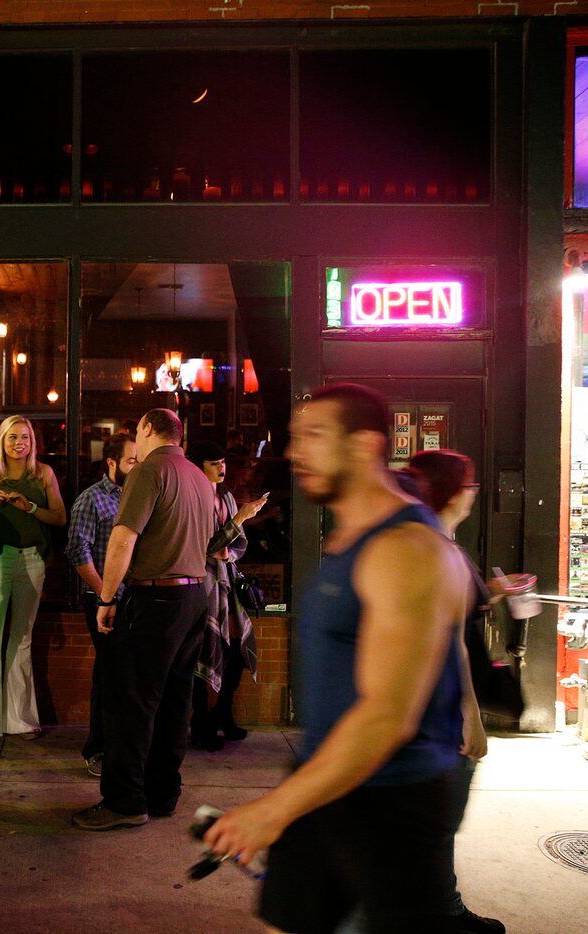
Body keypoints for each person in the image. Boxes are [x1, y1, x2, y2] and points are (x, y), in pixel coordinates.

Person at [204, 383, 473, 933]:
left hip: (393, 802)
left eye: (314, 436)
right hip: (331, 778)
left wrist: (272, 810)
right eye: (296, 437)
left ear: (363, 445)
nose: (295, 452)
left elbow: (386, 717)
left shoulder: (405, 550)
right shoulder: (350, 536)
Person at [72, 408, 214, 831]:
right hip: (194, 596)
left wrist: (108, 595)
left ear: (149, 430)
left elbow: (123, 538)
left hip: (156, 598)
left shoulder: (150, 472)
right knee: (175, 701)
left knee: (131, 703)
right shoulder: (197, 478)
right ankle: (162, 793)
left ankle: (124, 801)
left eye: (138, 431)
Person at [406, 449, 506, 934]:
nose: (474, 492)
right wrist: (471, 716)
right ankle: (439, 913)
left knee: (433, 823)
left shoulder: (438, 543)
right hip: (441, 711)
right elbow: (448, 641)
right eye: (468, 484)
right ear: (453, 493)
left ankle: (438, 907)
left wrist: (492, 594)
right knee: (437, 821)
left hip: (436, 710)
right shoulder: (434, 549)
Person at [0, 415, 66, 743]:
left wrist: (30, 507)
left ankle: (19, 720)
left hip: (32, 560)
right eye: (12, 437)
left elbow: (59, 517)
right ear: (2, 442)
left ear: (32, 441)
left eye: (24, 436)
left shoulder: (44, 474)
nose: (18, 442)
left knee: (21, 640)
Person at [184, 441, 266, 752]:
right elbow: (205, 544)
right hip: (202, 583)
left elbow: (236, 543)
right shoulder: (195, 497)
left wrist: (228, 551)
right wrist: (239, 520)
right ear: (199, 467)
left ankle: (221, 714)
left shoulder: (226, 497)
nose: (222, 469)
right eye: (214, 464)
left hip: (226, 581)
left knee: (236, 649)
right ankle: (202, 721)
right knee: (204, 650)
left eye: (223, 463)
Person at [64, 431, 137, 776]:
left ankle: (123, 746)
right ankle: (98, 749)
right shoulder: (91, 500)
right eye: (131, 461)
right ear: (112, 462)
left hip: (136, 598)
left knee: (127, 674)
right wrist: (107, 592)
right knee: (109, 674)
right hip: (101, 600)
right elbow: (78, 552)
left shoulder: (140, 496)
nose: (137, 466)